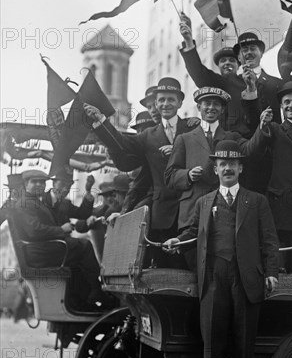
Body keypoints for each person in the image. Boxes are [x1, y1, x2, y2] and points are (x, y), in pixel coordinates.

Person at [163, 140, 279, 358]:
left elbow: (269, 240)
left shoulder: (257, 201)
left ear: (241, 168)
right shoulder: (204, 202)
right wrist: (178, 240)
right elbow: (193, 232)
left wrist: (272, 272)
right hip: (214, 276)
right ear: (215, 169)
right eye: (223, 164)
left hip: (246, 277)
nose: (228, 168)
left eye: (233, 164)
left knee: (243, 343)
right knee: (212, 343)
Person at [83, 77, 195, 257]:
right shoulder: (148, 136)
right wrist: (101, 121)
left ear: (180, 102)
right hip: (161, 216)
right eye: (161, 100)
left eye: (171, 99)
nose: (166, 104)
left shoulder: (192, 128)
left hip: (191, 213)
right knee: (161, 267)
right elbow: (122, 143)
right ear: (156, 104)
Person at [165, 87, 267, 239]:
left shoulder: (231, 137)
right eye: (207, 103)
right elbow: (169, 176)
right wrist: (188, 175)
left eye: (216, 104)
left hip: (225, 214)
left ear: (222, 109)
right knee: (194, 260)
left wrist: (262, 127)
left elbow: (250, 149)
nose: (211, 107)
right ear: (199, 107)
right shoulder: (184, 139)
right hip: (193, 214)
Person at [12, 170, 108, 309]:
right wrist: (61, 230)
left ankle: (80, 301)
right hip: (40, 252)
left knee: (78, 263)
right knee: (84, 245)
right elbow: (34, 230)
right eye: (34, 182)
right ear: (26, 183)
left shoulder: (34, 201)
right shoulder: (26, 203)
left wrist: (87, 192)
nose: (39, 185)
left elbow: (81, 214)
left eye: (42, 182)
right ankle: (96, 290)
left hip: (42, 249)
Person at [179, 13, 282, 138]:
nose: (248, 52)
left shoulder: (277, 83)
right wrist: (188, 41)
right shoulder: (228, 81)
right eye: (244, 50)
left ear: (261, 53)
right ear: (239, 57)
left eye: (253, 48)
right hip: (239, 145)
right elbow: (200, 74)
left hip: (270, 145)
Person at [256, 81, 292, 274]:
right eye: (287, 102)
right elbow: (260, 140)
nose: (291, 105)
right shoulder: (274, 130)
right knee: (280, 261)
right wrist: (262, 124)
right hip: (282, 204)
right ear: (281, 106)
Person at [42, 168, 95, 233]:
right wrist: (61, 229)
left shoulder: (66, 203)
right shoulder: (40, 200)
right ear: (54, 183)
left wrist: (88, 190)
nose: (65, 189)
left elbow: (82, 214)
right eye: (62, 184)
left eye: (68, 186)